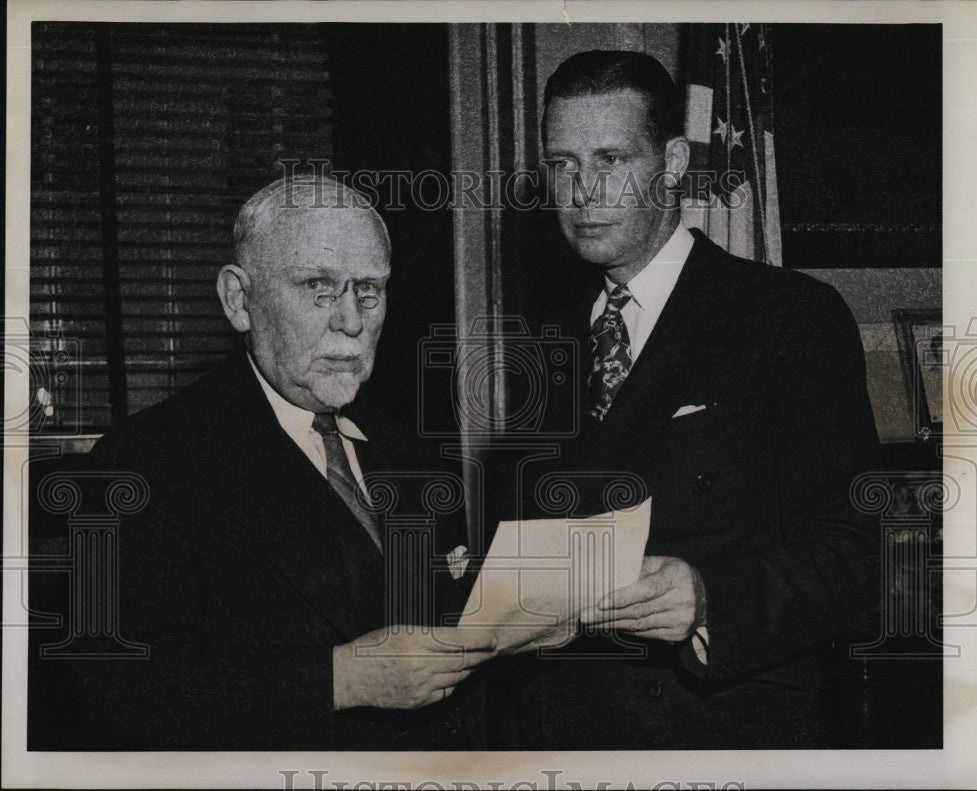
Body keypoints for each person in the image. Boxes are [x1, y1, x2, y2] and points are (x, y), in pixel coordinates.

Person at [507, 50, 881, 749]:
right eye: (562, 164)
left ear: (674, 161)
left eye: (611, 159)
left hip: (721, 730)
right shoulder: (551, 332)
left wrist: (712, 597)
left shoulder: (786, 317)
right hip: (570, 732)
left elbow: (861, 554)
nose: (584, 191)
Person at [43, 175, 494, 750]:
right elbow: (118, 697)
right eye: (318, 287)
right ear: (239, 301)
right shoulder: (142, 464)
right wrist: (339, 681)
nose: (351, 321)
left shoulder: (416, 457)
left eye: (369, 290)